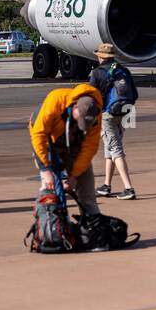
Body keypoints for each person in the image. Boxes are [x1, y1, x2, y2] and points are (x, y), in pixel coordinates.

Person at [29, 83, 104, 216]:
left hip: (74, 142)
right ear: (74, 106)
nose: (81, 124)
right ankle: (53, 228)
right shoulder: (56, 100)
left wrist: (74, 176)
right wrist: (45, 169)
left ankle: (91, 228)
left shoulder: (95, 113)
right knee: (51, 188)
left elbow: (90, 148)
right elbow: (38, 135)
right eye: (79, 120)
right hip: (48, 139)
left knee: (87, 192)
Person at [88, 43, 138, 200]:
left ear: (101, 57)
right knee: (110, 150)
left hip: (107, 115)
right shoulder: (122, 70)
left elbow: (89, 95)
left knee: (116, 150)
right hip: (125, 113)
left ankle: (128, 188)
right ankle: (106, 185)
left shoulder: (97, 73)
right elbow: (134, 94)